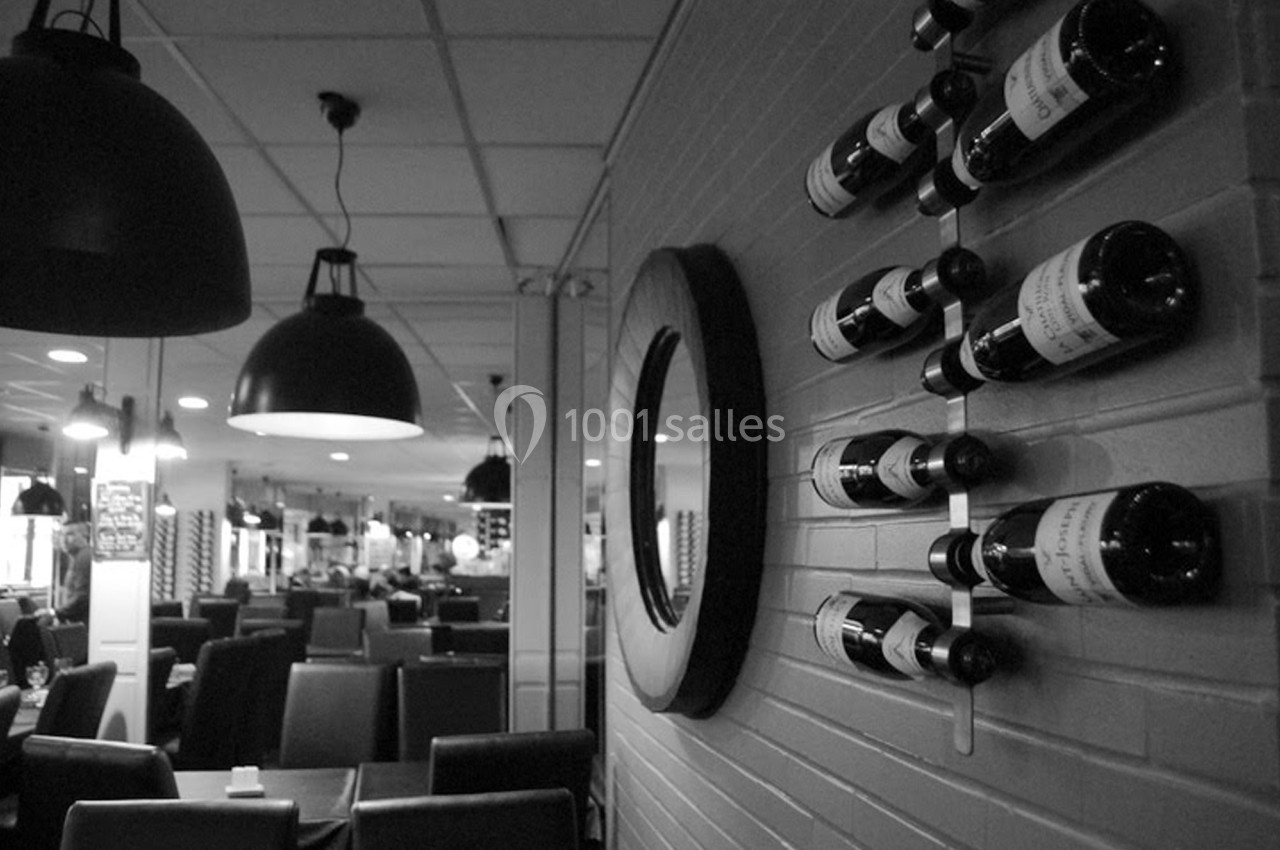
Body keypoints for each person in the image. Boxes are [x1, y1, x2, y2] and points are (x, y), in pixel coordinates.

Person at [55, 522, 92, 626]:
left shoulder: (84, 557)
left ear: (85, 536)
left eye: (70, 534)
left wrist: (57, 613)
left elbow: (82, 596)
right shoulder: (77, 557)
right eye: (62, 534)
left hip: (82, 626)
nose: (64, 540)